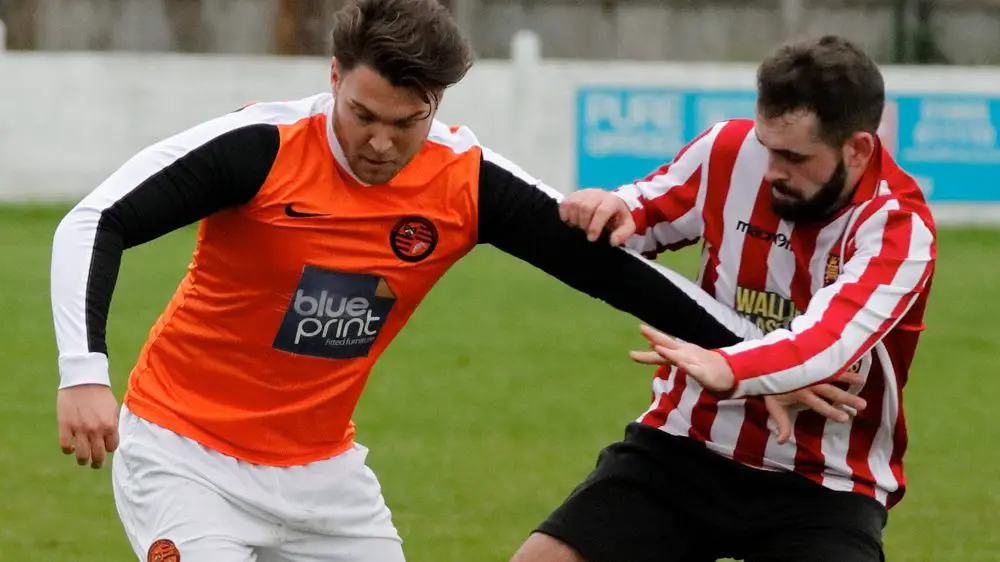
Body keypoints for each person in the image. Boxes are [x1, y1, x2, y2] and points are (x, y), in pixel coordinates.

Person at [48, 1, 858, 561]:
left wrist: (761, 357)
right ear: (335, 77)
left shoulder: (461, 178)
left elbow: (607, 269)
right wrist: (84, 373)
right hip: (184, 455)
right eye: (364, 115)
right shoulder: (258, 147)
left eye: (408, 122)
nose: (380, 144)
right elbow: (94, 222)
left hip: (323, 476)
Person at [514, 35, 937, 562]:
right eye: (766, 145)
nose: (770, 170)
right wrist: (610, 206)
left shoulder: (899, 228)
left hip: (824, 481)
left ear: (858, 148)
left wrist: (728, 367)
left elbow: (827, 343)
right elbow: (643, 213)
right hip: (686, 447)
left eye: (793, 156)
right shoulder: (727, 152)